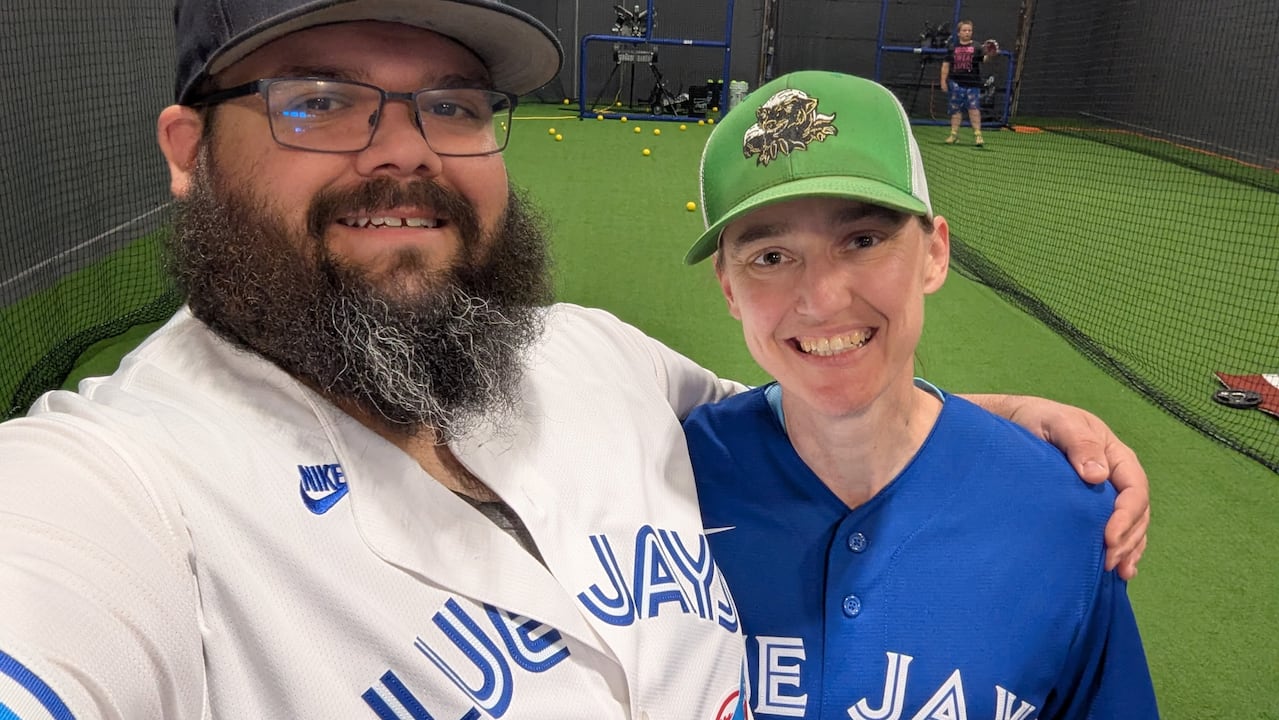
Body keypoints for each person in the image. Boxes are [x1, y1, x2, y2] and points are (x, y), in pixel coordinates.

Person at [0, 2, 1148, 718]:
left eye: (450, 102)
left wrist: (982, 435)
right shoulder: (117, 488)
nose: (404, 154)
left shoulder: (590, 357)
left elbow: (815, 414)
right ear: (189, 150)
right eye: (319, 101)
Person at [682, 70, 1159, 718]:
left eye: (863, 240)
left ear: (934, 254)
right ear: (729, 287)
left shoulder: (1063, 515)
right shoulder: (664, 482)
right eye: (770, 255)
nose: (822, 300)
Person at [939, 20, 998, 147]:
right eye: (964, 30)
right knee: (956, 110)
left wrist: (990, 54)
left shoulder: (977, 47)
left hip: (972, 84)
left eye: (969, 30)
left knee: (974, 109)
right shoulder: (952, 48)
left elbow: (985, 60)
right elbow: (945, 65)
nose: (967, 33)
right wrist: (943, 81)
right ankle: (953, 135)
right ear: (959, 33)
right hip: (955, 84)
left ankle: (978, 136)